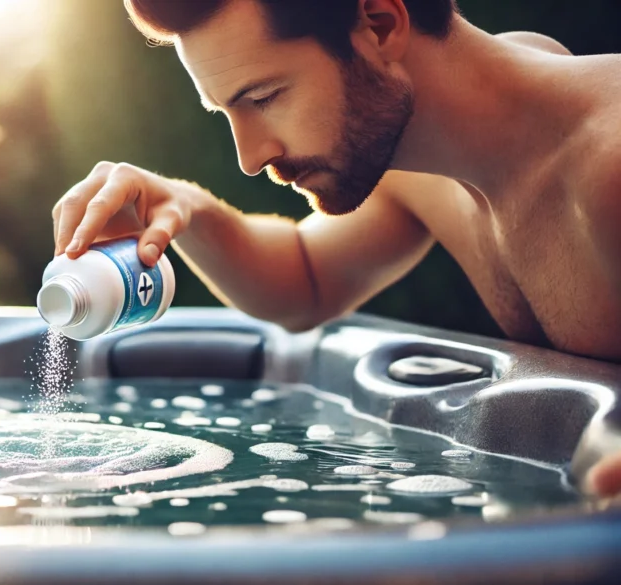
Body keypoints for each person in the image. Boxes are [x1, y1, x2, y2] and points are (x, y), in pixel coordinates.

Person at [50, 0, 621, 500]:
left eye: (264, 96)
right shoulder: (424, 147)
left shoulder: (607, 163)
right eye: (229, 112)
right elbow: (305, 280)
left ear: (378, 23)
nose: (249, 157)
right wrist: (181, 206)